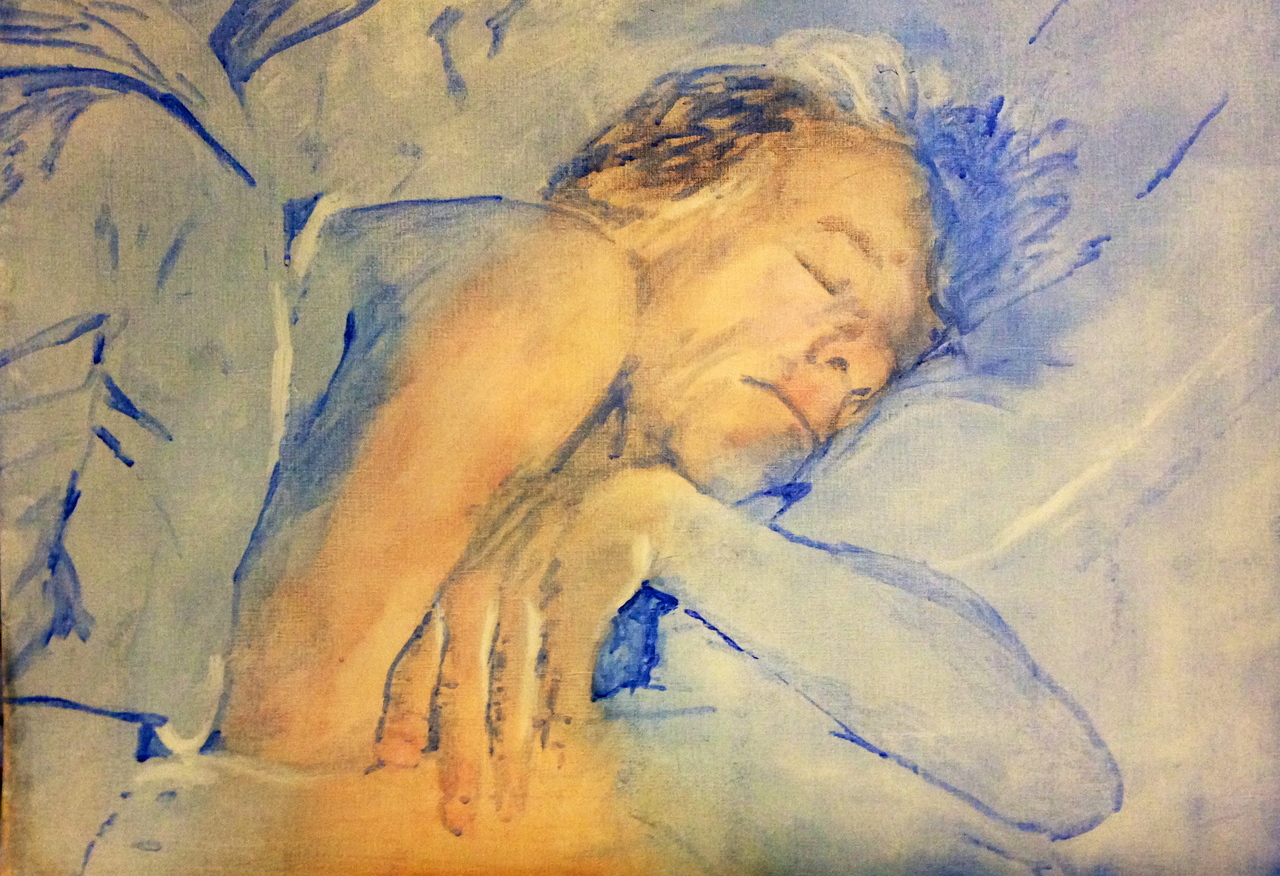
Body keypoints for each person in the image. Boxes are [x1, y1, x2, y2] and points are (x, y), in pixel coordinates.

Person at [220, 30, 1121, 854]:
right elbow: (292, 734)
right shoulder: (551, 275)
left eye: (892, 360)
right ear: (646, 196)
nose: (860, 366)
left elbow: (1060, 776)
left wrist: (665, 523)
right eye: (825, 272)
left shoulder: (627, 536)